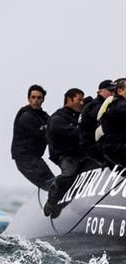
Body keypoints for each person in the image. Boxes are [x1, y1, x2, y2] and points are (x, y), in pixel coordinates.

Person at [43, 88, 85, 218]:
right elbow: (74, 134)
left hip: (80, 154)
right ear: (69, 100)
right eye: (79, 99)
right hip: (64, 155)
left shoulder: (80, 114)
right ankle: (52, 200)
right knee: (69, 173)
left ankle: (61, 205)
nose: (82, 103)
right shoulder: (58, 118)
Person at [11, 84, 54, 191]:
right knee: (52, 185)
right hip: (25, 159)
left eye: (39, 98)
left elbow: (54, 127)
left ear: (43, 100)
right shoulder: (26, 115)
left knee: (53, 184)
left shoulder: (43, 116)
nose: (36, 100)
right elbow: (46, 135)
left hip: (35, 159)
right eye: (33, 97)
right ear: (28, 99)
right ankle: (54, 206)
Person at [78, 79, 115, 168]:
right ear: (100, 91)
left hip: (97, 145)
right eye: (110, 90)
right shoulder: (95, 106)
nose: (113, 93)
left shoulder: (99, 104)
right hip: (93, 147)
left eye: (114, 90)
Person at [97, 78, 126, 166]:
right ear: (120, 91)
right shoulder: (120, 105)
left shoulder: (113, 103)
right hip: (119, 148)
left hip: (111, 149)